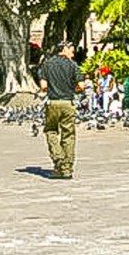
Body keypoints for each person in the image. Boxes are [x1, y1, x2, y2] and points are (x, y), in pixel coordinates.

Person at [38, 41, 84, 179]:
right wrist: (71, 90)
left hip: (52, 102)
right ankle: (67, 167)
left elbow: (43, 87)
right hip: (68, 103)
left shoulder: (47, 64)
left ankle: (59, 159)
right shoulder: (73, 65)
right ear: (64, 49)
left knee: (51, 131)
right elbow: (81, 86)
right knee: (68, 134)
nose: (73, 53)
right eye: (71, 50)